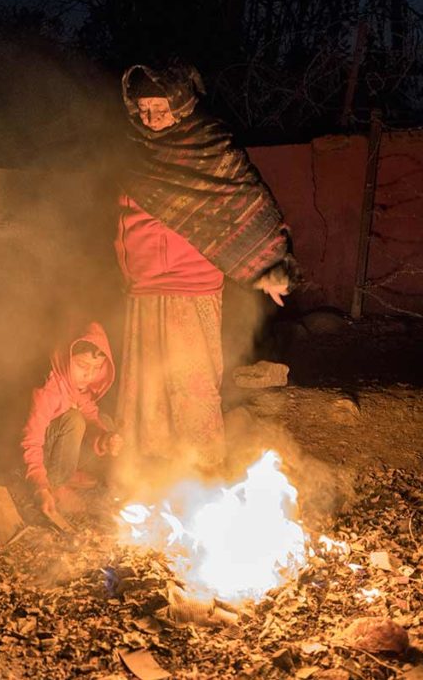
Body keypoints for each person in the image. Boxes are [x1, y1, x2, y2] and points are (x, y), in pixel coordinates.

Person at [115, 62, 298, 472]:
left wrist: (269, 264)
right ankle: (153, 466)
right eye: (143, 109)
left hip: (189, 284)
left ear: (180, 104)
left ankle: (200, 465)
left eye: (159, 107)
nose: (151, 117)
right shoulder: (132, 151)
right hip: (143, 287)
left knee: (189, 381)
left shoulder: (208, 145)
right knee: (149, 384)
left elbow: (246, 202)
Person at [20, 322, 123, 522]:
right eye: (82, 366)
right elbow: (30, 441)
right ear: (66, 358)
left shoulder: (78, 387)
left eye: (96, 368)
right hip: (41, 455)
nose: (89, 375)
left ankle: (70, 473)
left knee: (104, 422)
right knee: (74, 420)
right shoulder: (47, 390)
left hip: (60, 449)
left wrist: (104, 440)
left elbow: (92, 417)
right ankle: (56, 484)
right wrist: (39, 486)